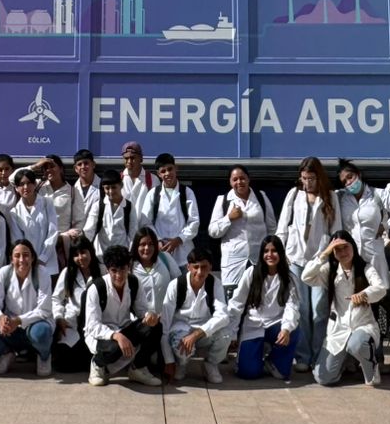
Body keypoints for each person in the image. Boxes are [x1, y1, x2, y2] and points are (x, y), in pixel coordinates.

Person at [301, 230, 387, 387]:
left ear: (353, 246)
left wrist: (364, 294)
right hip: (338, 330)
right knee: (323, 378)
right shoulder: (330, 271)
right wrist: (324, 254)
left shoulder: (365, 268)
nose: (342, 252)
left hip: (363, 325)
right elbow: (306, 277)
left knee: (357, 344)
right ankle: (347, 360)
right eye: (337, 249)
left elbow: (381, 288)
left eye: (345, 247)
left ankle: (371, 367)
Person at [275, 156, 336, 373]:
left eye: (311, 178)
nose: (307, 183)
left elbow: (335, 231)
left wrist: (330, 256)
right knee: (300, 309)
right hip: (296, 260)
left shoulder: (330, 197)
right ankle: (303, 355)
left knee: (319, 310)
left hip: (319, 261)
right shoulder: (294, 195)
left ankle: (319, 354)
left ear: (319, 177)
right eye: (304, 178)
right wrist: (281, 254)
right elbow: (283, 226)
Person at [0, 239, 55, 376]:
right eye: (17, 256)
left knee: (41, 333)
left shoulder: (41, 273)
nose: (22, 260)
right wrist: (0, 318)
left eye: (26, 255)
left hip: (35, 325)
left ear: (33, 257)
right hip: (10, 329)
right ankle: (6, 354)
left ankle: (43, 356)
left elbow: (44, 310)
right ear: (11, 259)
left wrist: (18, 321)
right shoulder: (4, 273)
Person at [84, 244, 158, 387]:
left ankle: (137, 368)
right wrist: (116, 336)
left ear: (128, 267)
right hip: (102, 335)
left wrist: (149, 316)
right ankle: (97, 365)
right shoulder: (96, 288)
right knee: (114, 348)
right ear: (107, 269)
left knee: (155, 327)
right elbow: (92, 325)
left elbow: (142, 310)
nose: (119, 275)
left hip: (125, 327)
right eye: (114, 271)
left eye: (123, 269)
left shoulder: (134, 282)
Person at [230, 236, 301, 381]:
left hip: (276, 325)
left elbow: (292, 306)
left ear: (281, 253)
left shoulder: (289, 278)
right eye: (266, 251)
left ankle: (273, 360)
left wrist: (286, 329)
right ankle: (254, 354)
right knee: (249, 373)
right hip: (254, 325)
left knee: (293, 331)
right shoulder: (251, 273)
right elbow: (237, 303)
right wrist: (232, 332)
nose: (270, 255)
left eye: (274, 251)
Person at [162, 246, 233, 383]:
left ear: (210, 267)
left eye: (204, 267)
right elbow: (164, 325)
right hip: (180, 330)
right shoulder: (175, 285)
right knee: (181, 347)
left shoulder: (215, 284)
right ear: (188, 267)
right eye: (196, 267)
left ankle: (210, 364)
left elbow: (223, 316)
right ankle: (181, 364)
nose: (200, 272)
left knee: (226, 333)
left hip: (203, 330)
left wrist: (196, 334)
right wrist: (169, 361)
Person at [207, 164, 275, 302]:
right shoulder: (223, 200)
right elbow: (213, 231)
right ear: (230, 182)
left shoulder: (261, 197)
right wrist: (228, 218)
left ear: (248, 179)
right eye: (235, 179)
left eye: (242, 178)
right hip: (234, 261)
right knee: (233, 303)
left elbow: (272, 228)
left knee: (260, 301)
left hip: (258, 259)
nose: (239, 182)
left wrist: (272, 252)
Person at [138, 153, 199, 271]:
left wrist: (179, 239)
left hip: (185, 256)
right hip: (161, 254)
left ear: (176, 168)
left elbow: (194, 222)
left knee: (184, 288)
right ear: (158, 174)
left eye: (170, 169)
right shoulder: (153, 194)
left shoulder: (187, 192)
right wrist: (158, 240)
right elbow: (146, 222)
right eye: (163, 171)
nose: (167, 174)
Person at [51, 235, 102, 375]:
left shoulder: (102, 271)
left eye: (83, 252)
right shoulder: (68, 273)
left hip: (95, 323)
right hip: (72, 324)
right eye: (76, 254)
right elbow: (56, 299)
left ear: (91, 251)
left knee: (93, 357)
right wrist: (59, 317)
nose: (81, 257)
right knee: (63, 363)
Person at [128, 227, 173, 379]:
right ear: (136, 246)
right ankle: (137, 365)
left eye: (150, 244)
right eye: (142, 244)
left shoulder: (165, 259)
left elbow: (178, 285)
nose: (147, 248)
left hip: (165, 320)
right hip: (141, 322)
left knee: (160, 364)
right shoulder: (129, 267)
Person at [336, 159, 389, 279]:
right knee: (356, 292)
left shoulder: (377, 194)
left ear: (358, 174)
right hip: (353, 256)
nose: (349, 182)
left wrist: (385, 225)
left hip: (374, 254)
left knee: (379, 290)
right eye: (345, 181)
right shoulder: (340, 197)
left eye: (350, 177)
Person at [7, 169, 60, 284]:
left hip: (48, 264)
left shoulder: (47, 203)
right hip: (27, 265)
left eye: (29, 183)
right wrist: (29, 260)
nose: (25, 187)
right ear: (16, 188)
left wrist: (42, 258)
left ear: (35, 184)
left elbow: (53, 232)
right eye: (21, 184)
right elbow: (18, 241)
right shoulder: (14, 212)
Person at [86, 169, 137, 254]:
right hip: (101, 256)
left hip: (122, 256)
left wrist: (131, 255)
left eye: (114, 187)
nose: (110, 191)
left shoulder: (129, 207)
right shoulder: (98, 206)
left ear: (121, 185)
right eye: (107, 188)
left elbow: (133, 233)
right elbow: (89, 230)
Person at [69, 150, 102, 241]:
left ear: (93, 165)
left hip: (98, 239)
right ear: (75, 168)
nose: (83, 167)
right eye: (79, 164)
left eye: (86, 163)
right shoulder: (71, 190)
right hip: (75, 239)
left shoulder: (103, 187)